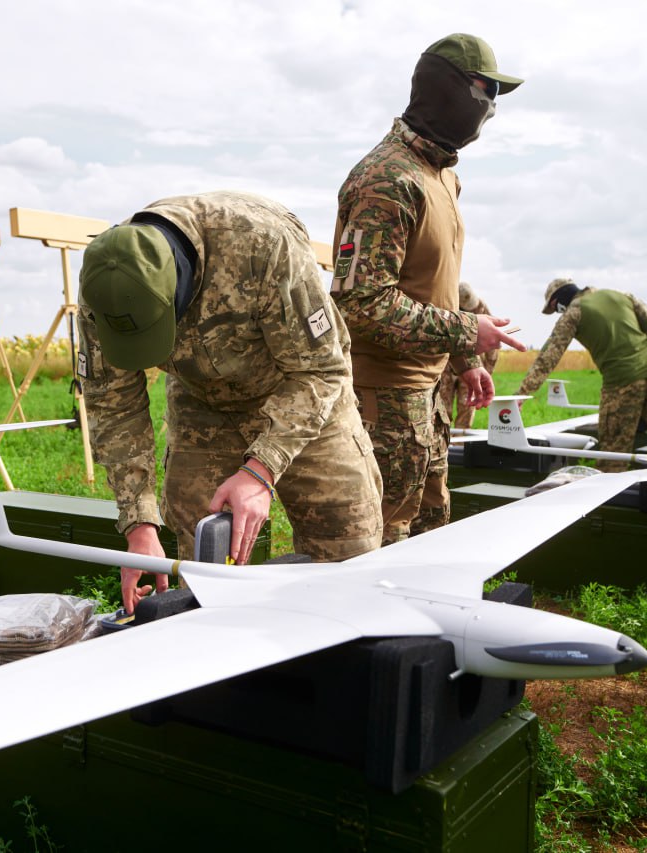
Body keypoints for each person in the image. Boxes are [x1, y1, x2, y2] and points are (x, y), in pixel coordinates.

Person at [77, 191, 383, 614]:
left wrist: (260, 471)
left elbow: (321, 370)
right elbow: (113, 406)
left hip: (299, 390)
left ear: (180, 285)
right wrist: (139, 525)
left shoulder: (263, 245)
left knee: (349, 546)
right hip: (202, 403)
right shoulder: (105, 290)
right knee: (204, 564)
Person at [331, 33, 525, 544]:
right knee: (376, 550)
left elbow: (433, 285)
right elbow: (361, 304)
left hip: (428, 403)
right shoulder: (386, 180)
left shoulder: (442, 178)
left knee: (428, 542)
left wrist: (465, 359)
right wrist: (466, 329)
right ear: (449, 88)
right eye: (486, 91)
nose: (491, 107)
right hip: (382, 409)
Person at [517, 279, 647, 472]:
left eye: (555, 309)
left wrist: (522, 393)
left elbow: (548, 356)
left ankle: (610, 488)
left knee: (613, 453)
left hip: (622, 383)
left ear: (556, 302)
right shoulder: (622, 295)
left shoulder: (573, 313)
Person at [437, 282, 500, 428]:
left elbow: (493, 346)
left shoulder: (481, 308)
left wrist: (487, 372)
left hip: (473, 368)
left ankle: (461, 441)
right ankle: (443, 440)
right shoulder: (446, 306)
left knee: (467, 409)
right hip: (446, 367)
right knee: (442, 410)